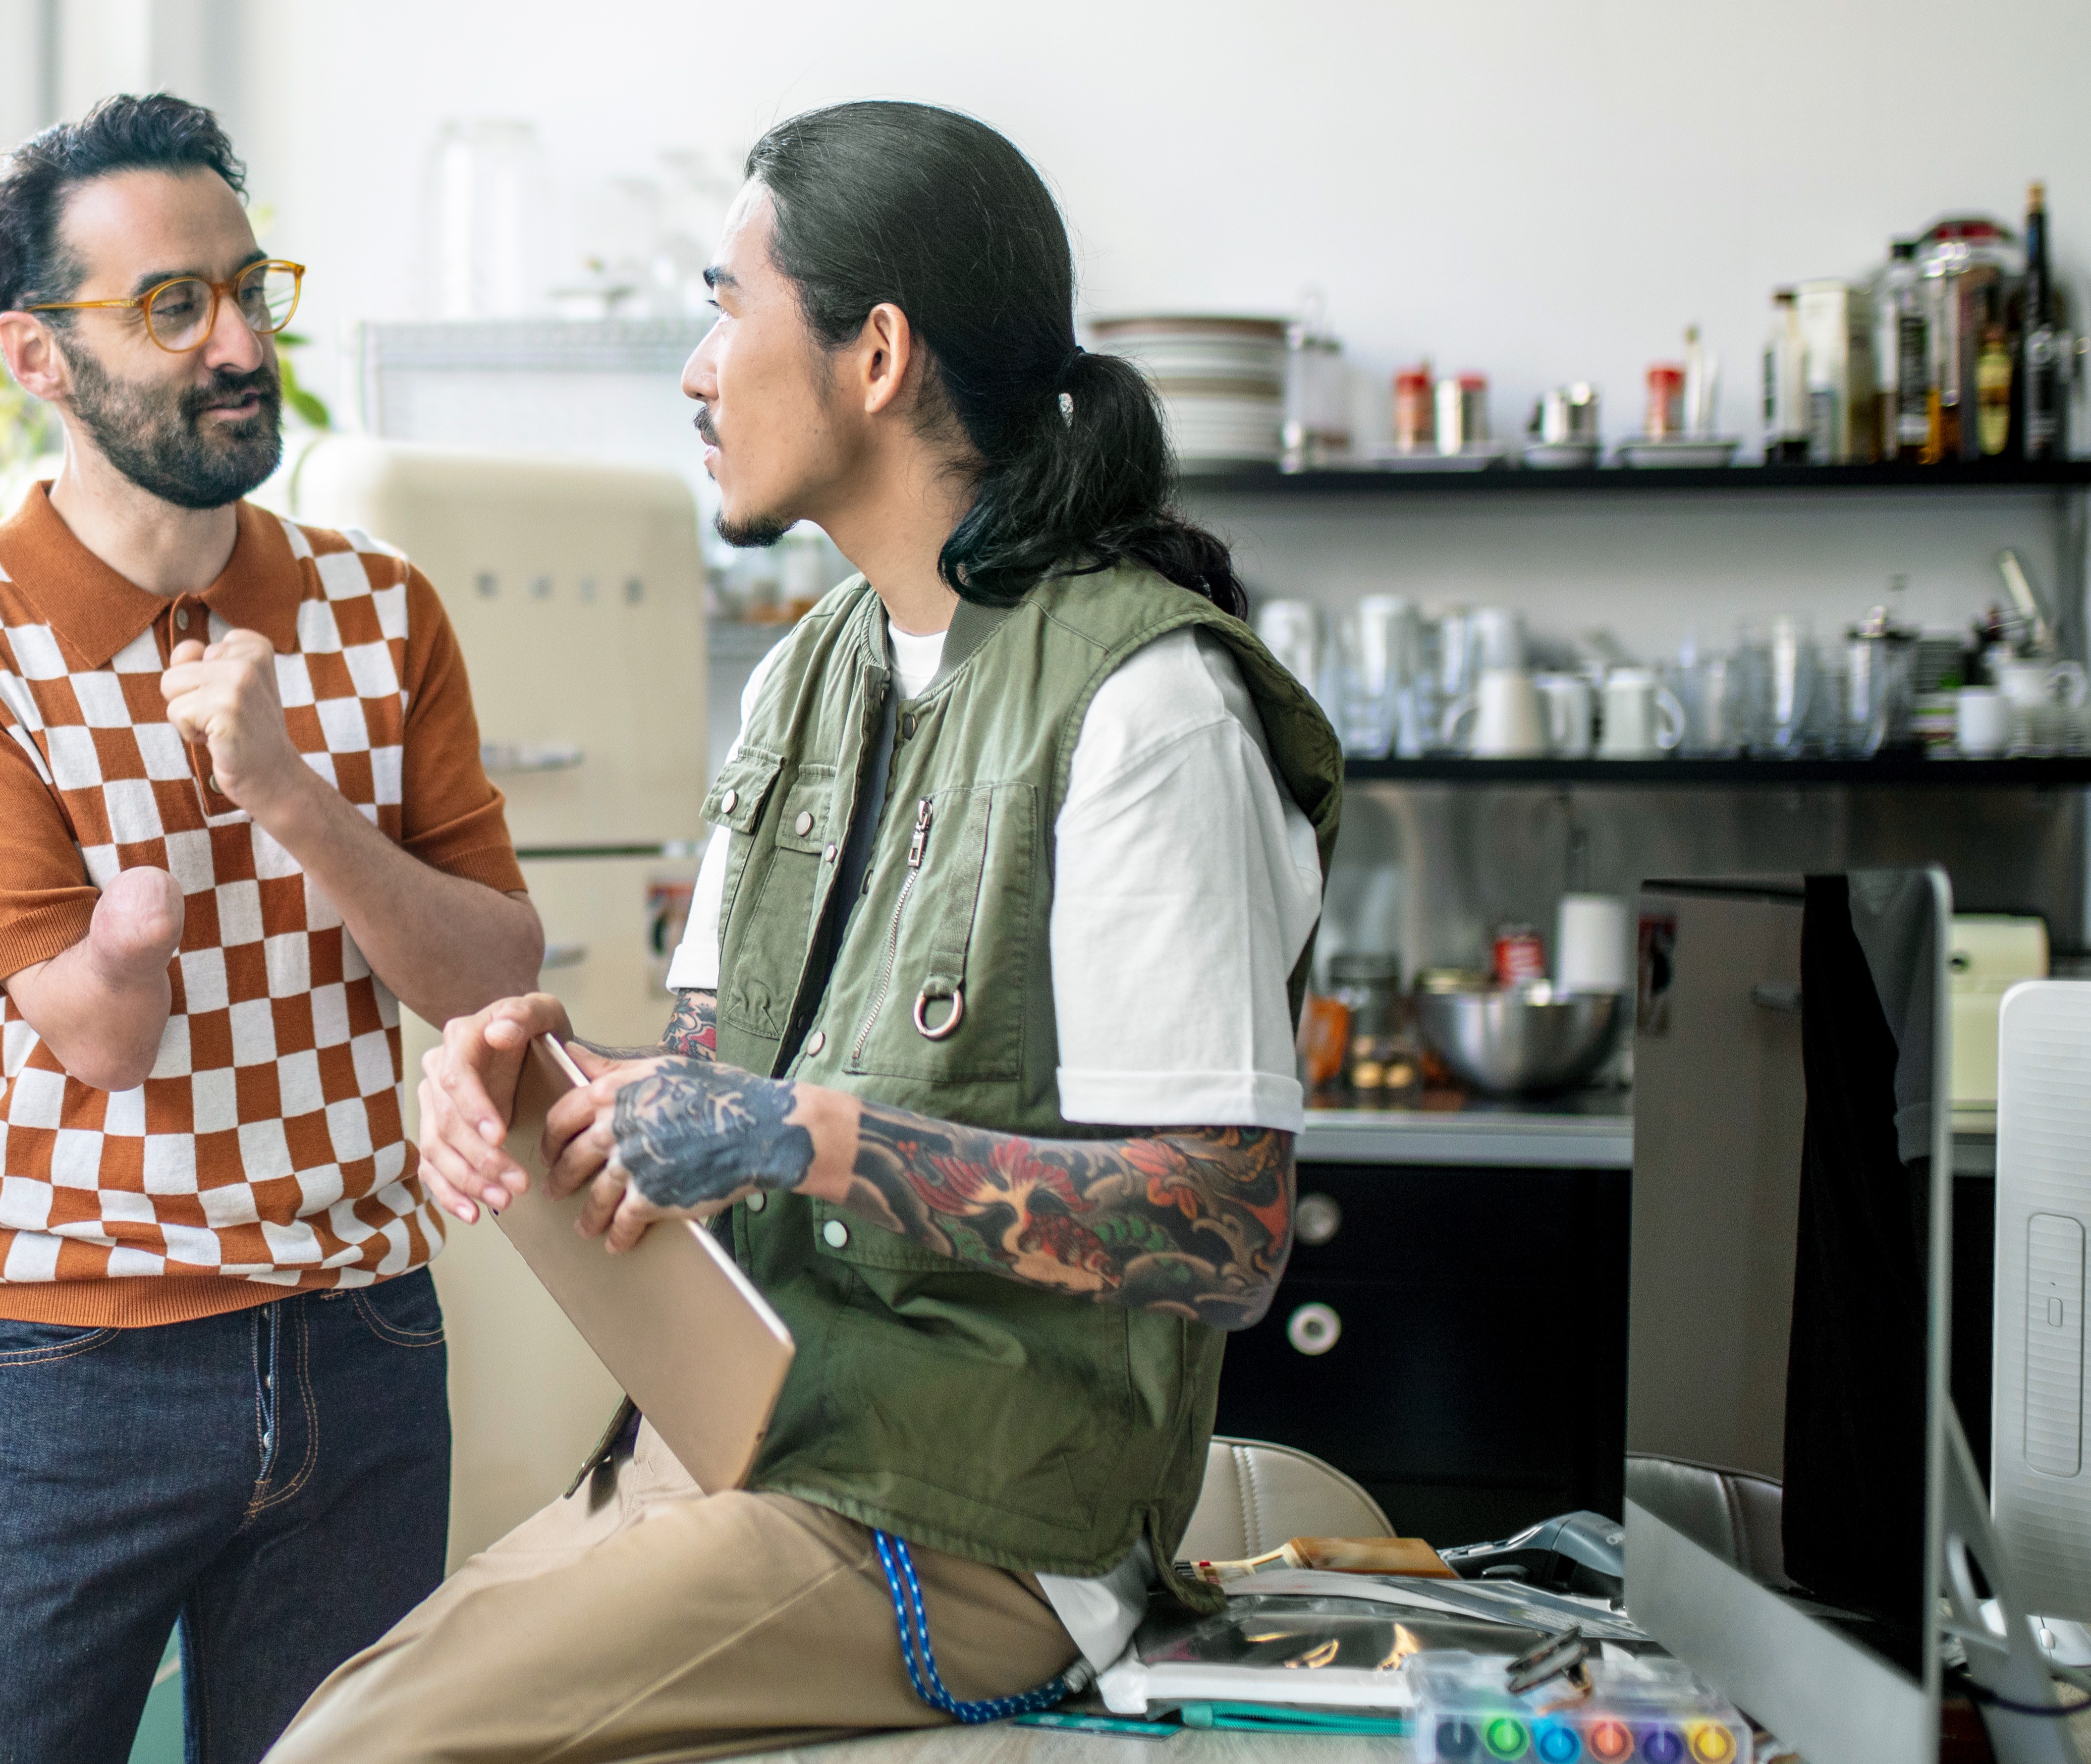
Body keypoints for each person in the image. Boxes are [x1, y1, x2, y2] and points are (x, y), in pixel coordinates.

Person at [266, 100, 1341, 1762]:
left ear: (876, 355)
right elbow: (713, 1099)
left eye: (725, 302)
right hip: (755, 1444)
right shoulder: (807, 675)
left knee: (362, 1755)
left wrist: (807, 1137)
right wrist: (540, 1076)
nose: (696, 369)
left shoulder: (1147, 710)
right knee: (322, 1721)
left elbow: (1222, 1226)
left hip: (975, 1530)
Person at [0, 94, 544, 1764]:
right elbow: (94, 1035)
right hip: (80, 1361)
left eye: (250, 290)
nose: (238, 344)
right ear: (37, 357)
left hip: (361, 1337)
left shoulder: (384, 610)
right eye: (174, 306)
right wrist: (135, 927)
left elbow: (490, 974)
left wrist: (293, 801)